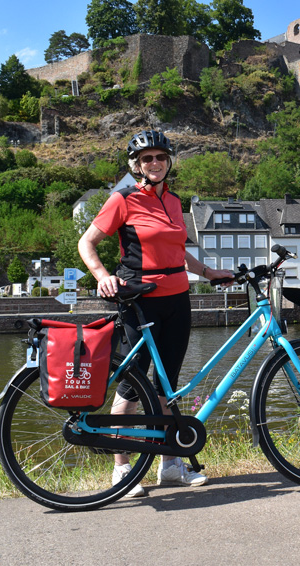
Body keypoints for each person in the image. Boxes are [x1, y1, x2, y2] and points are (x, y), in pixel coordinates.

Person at [78, 129, 232, 498]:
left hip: (178, 299)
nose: (154, 163)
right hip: (140, 299)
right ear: (137, 165)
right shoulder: (123, 199)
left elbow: (178, 251)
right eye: (146, 159)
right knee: (134, 385)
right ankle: (122, 469)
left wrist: (210, 273)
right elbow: (87, 242)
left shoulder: (176, 203)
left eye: (160, 157)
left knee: (168, 384)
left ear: (169, 162)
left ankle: (170, 466)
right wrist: (103, 276)